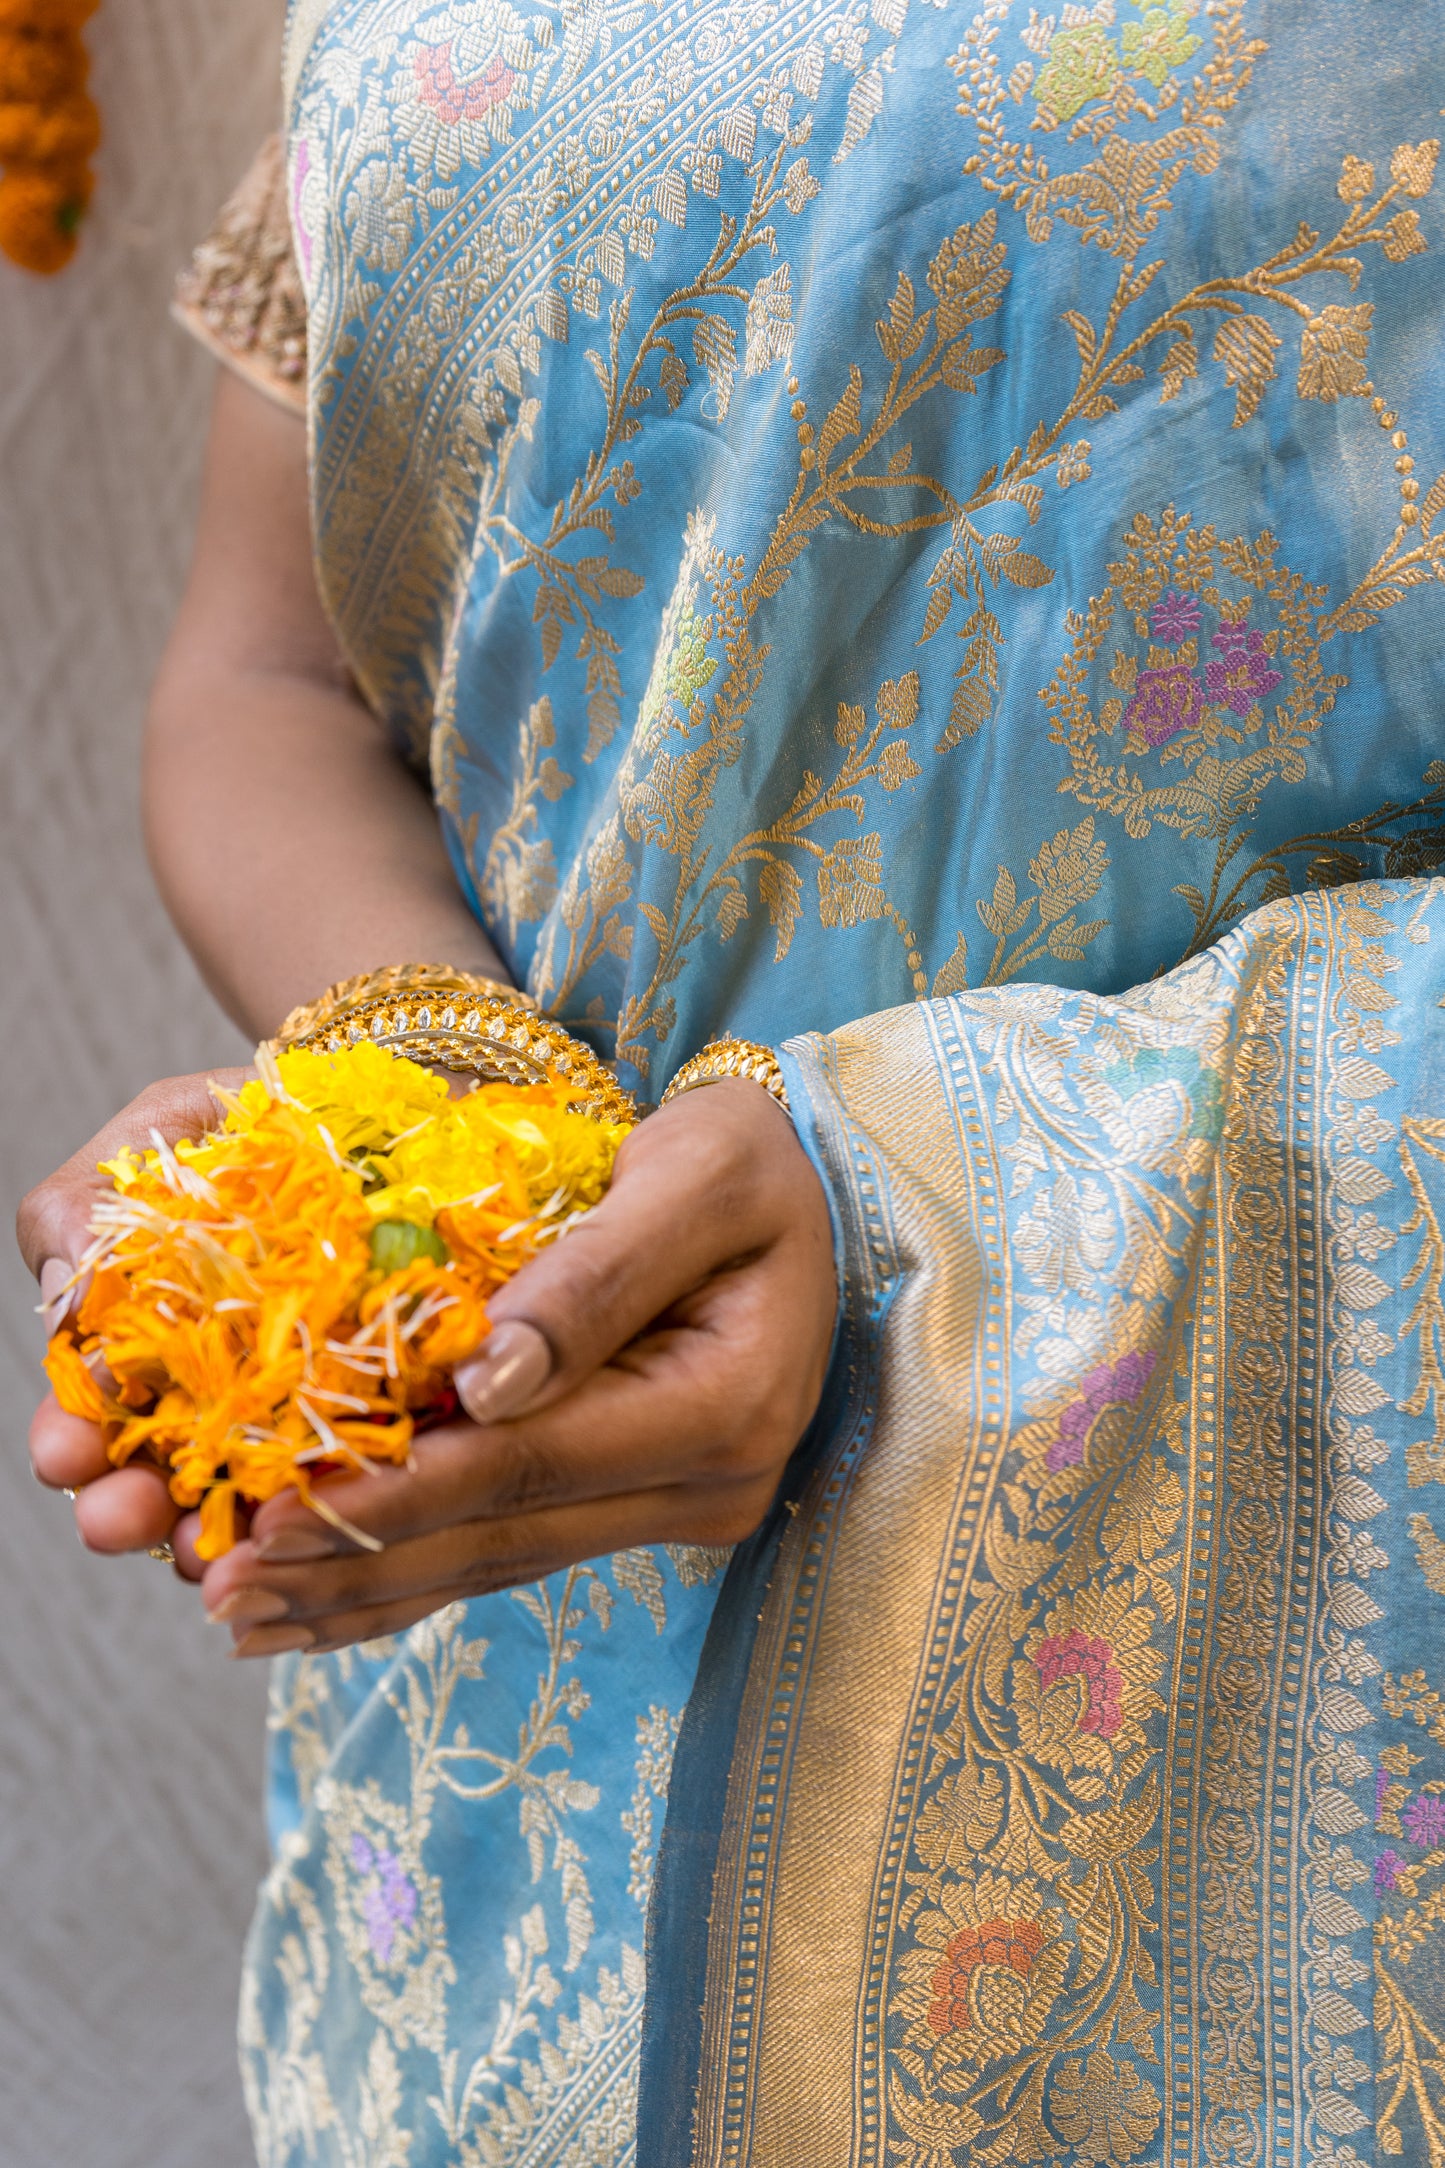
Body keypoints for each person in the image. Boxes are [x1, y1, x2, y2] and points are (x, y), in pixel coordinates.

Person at [16, 3, 1445, 2161]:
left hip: (1266, 1695)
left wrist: (916, 1194)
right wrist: (442, 1118)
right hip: (519, 1642)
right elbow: (271, 669)